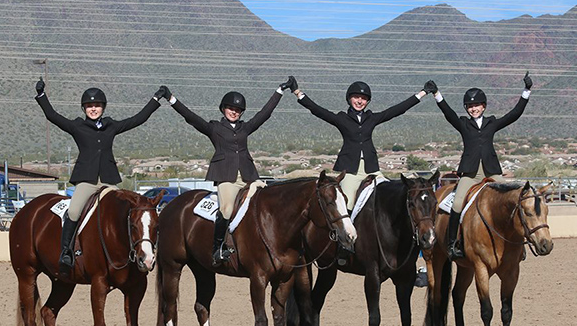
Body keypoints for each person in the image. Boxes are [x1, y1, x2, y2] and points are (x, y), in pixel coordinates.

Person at [35, 78, 165, 278]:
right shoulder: (78, 127)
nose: (93, 109)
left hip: (108, 181)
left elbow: (138, 119)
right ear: (84, 108)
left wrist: (156, 100)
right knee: (74, 210)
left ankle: (129, 253)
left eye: (96, 105)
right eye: (89, 106)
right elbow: (53, 116)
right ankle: (67, 253)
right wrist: (42, 96)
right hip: (87, 180)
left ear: (103, 107)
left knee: (125, 213)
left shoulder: (111, 126)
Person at [160, 77, 296, 266]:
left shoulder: (245, 128)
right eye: (231, 108)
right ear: (224, 109)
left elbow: (264, 114)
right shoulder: (214, 128)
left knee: (268, 205)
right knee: (226, 210)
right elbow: (191, 117)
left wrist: (279, 91)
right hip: (227, 178)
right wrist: (171, 99)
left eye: (238, 110)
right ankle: (218, 248)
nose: (234, 112)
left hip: (249, 177)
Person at [291, 78, 436, 212]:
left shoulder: (371, 118)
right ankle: (344, 239)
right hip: (350, 171)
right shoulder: (342, 118)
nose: (359, 101)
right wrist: (297, 92)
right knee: (346, 206)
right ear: (349, 99)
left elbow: (397, 110)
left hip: (371, 168)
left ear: (367, 102)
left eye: (364, 98)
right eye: (356, 97)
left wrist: (422, 93)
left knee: (389, 196)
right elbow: (318, 111)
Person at [429, 72, 533, 259]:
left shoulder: (492, 123)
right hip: (470, 174)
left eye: (476, 105)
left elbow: (514, 114)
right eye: (470, 106)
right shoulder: (463, 124)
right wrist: (437, 94)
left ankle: (520, 246)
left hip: (491, 172)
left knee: (512, 198)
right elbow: (448, 113)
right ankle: (453, 244)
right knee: (458, 202)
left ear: (483, 106)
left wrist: (526, 90)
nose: (473, 108)